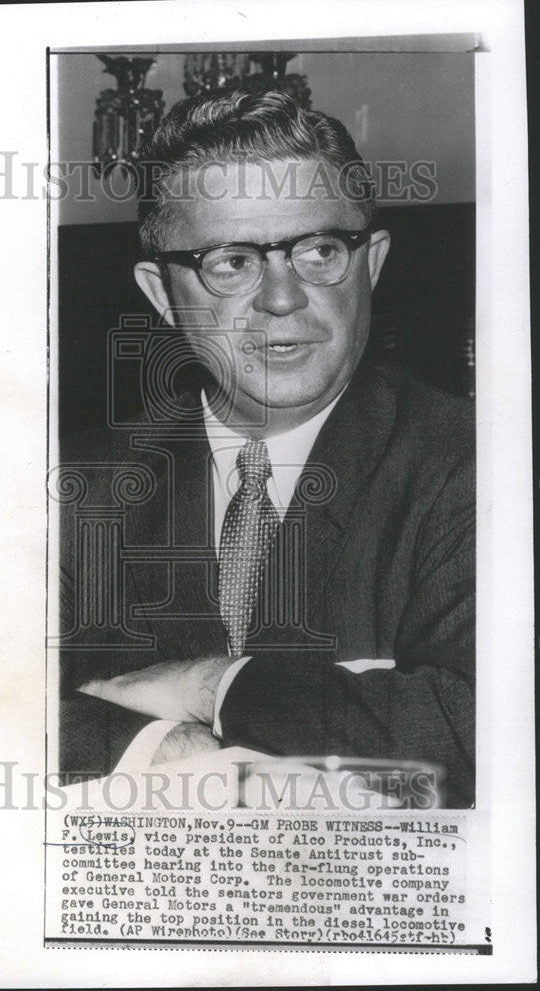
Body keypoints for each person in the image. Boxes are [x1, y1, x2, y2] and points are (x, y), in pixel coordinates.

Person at [58, 89, 475, 807]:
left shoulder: (476, 464)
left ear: (370, 264)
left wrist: (214, 685)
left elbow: (483, 729)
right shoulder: (71, 487)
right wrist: (173, 749)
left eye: (319, 250)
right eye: (232, 261)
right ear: (161, 293)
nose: (283, 298)